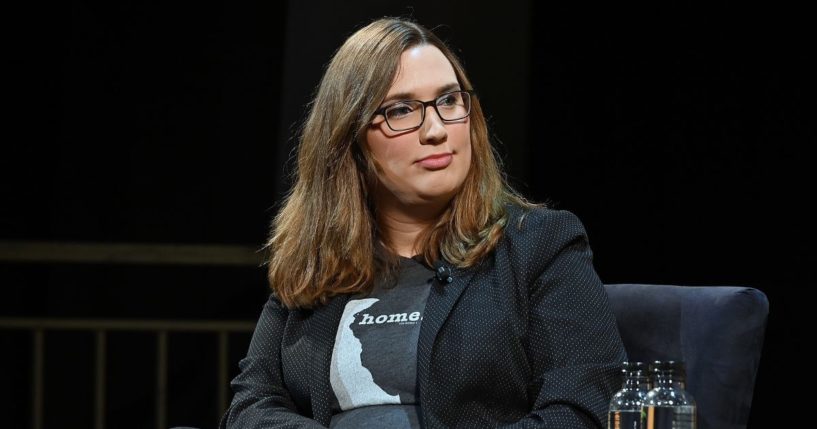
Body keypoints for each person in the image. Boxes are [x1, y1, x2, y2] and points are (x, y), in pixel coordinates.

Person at [220, 17, 626, 429]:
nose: (435, 130)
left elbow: (582, 408)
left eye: (449, 101)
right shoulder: (316, 266)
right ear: (351, 139)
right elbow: (251, 409)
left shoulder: (538, 246)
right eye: (401, 110)